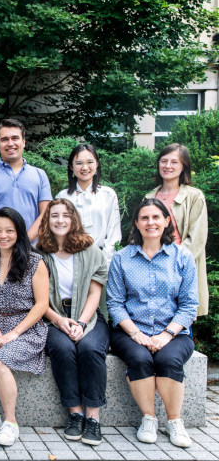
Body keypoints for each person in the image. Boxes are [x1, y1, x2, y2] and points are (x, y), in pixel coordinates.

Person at [107, 198, 198, 448]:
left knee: (168, 359)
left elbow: (190, 305)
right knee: (139, 358)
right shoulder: (122, 258)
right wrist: (136, 334)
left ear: (167, 221)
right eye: (144, 218)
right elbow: (115, 303)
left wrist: (167, 335)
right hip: (129, 330)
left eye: (156, 217)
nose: (150, 223)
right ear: (136, 223)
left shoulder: (182, 257)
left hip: (174, 332)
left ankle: (174, 421)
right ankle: (149, 418)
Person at [0, 207, 49, 447]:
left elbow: (41, 305)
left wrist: (15, 333)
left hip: (25, 325)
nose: (2, 235)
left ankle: (10, 422)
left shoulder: (35, 261)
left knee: (0, 360)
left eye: (9, 230)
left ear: (19, 232)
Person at [36, 199, 109, 445]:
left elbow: (94, 293)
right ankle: (75, 414)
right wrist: (59, 320)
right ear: (46, 220)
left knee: (90, 348)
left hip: (88, 314)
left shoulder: (91, 250)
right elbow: (37, 299)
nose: (59, 220)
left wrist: (80, 322)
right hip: (52, 316)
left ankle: (93, 417)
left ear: (73, 219)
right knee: (63, 348)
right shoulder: (39, 254)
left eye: (65, 215)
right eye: (54, 215)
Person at [145, 143, 208, 316]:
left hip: (180, 267)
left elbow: (197, 238)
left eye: (174, 162)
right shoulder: (149, 197)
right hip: (151, 267)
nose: (168, 166)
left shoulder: (194, 197)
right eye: (164, 161)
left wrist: (174, 262)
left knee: (181, 319)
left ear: (183, 166)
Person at [0, 119, 52, 248]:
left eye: (15, 138)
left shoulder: (40, 175)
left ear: (23, 142)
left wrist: (24, 241)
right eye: (4, 139)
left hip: (31, 249)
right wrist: (5, 238)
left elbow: (45, 214)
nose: (10, 143)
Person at [55, 144, 121, 265]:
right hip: (69, 260)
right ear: (71, 166)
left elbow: (114, 234)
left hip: (101, 259)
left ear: (96, 164)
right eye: (79, 163)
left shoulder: (108, 195)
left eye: (90, 162)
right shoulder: (62, 197)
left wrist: (104, 262)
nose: (85, 167)